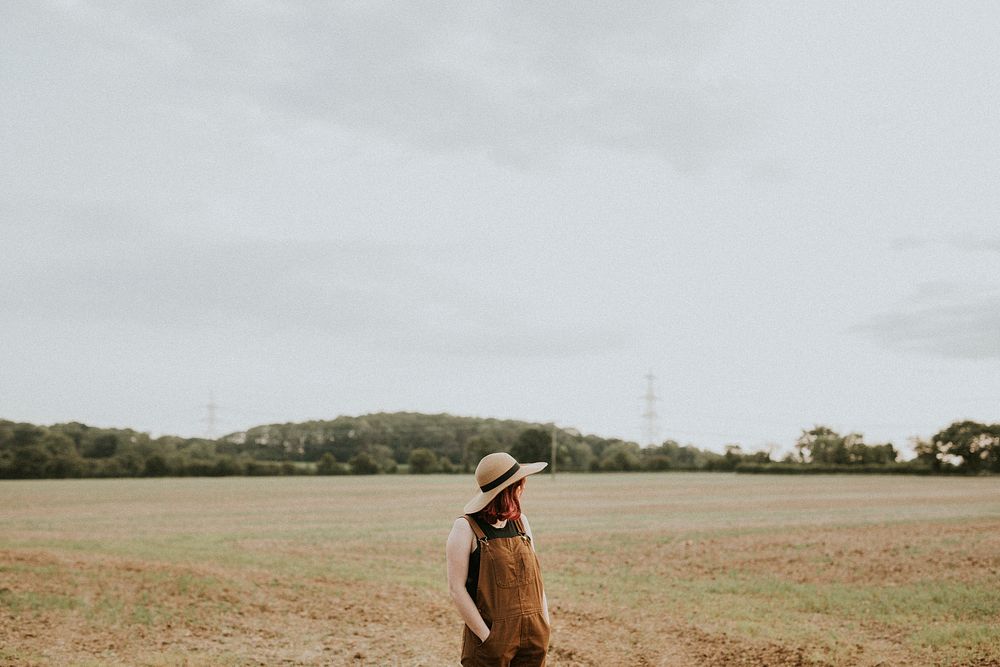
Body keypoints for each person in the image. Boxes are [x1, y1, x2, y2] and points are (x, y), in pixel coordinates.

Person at [446, 452, 551, 666]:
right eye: (520, 484)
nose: (524, 488)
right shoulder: (465, 527)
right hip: (492, 643)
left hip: (533, 638)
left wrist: (544, 624)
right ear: (510, 489)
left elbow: (535, 580)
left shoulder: (522, 522)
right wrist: (488, 638)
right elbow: (456, 588)